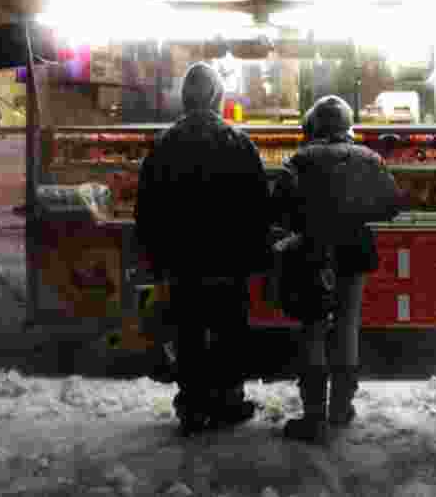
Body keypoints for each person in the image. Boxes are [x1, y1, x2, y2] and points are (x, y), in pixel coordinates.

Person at [135, 62, 270, 435]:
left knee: (188, 332)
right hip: (228, 260)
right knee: (230, 331)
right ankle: (228, 401)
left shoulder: (165, 144)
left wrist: (152, 254)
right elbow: (258, 205)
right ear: (217, 97)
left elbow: (147, 206)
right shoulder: (238, 142)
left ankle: (192, 406)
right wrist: (258, 255)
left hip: (182, 261)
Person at [272, 95, 401, 444]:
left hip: (311, 250)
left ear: (314, 125)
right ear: (347, 127)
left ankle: (313, 416)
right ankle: (341, 409)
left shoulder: (298, 160)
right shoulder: (369, 159)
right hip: (355, 251)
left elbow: (278, 205)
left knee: (313, 329)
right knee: (347, 327)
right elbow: (392, 204)